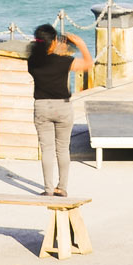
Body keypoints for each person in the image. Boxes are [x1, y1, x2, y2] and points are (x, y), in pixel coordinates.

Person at [26, 26, 90, 197]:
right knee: (62, 149)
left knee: (46, 149)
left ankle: (47, 189)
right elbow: (87, 64)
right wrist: (81, 44)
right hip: (62, 107)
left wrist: (54, 48)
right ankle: (61, 188)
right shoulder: (64, 61)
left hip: (41, 107)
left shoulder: (32, 62)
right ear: (54, 41)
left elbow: (44, 56)